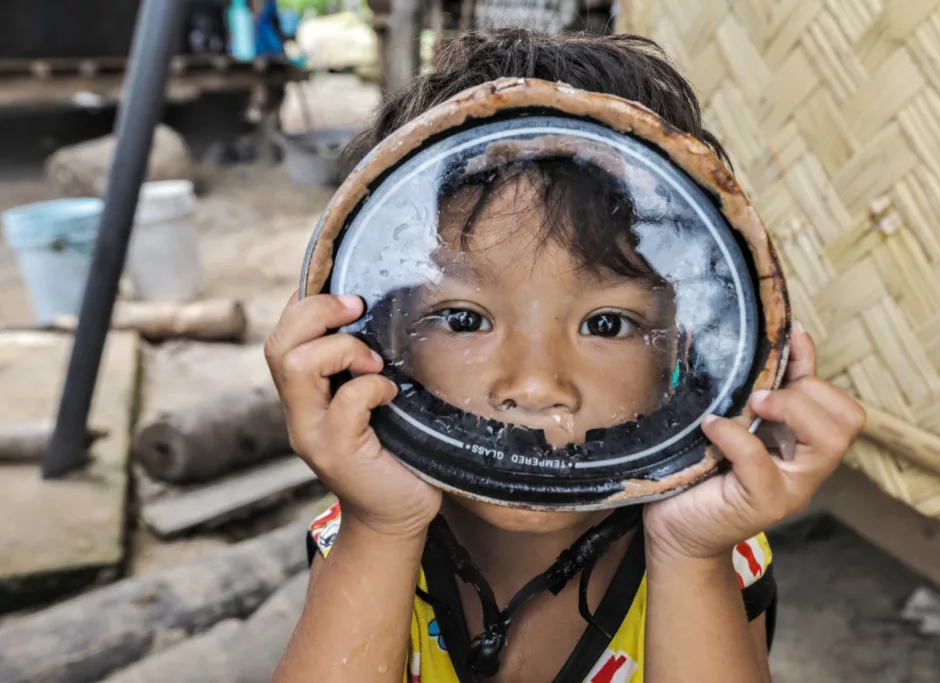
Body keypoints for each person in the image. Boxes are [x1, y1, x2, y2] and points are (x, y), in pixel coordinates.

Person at [266, 29, 866, 683]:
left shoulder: (713, 547)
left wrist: (690, 552)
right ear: (381, 337)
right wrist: (380, 526)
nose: (534, 384)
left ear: (688, 358)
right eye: (464, 318)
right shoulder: (367, 524)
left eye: (606, 322)